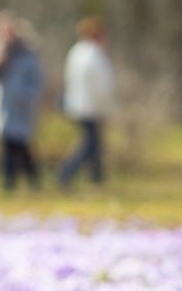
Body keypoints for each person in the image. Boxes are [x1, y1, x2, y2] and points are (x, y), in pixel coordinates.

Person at [0, 13, 43, 191]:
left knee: (21, 144)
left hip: (20, 106)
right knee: (5, 144)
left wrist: (26, 97)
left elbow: (36, 81)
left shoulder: (27, 53)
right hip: (0, 107)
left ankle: (32, 178)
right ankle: (9, 182)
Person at [58, 17, 116, 188]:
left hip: (77, 104)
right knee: (90, 144)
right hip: (91, 106)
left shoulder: (77, 51)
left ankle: (97, 177)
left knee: (94, 143)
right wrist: (106, 106)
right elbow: (101, 85)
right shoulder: (94, 55)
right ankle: (66, 173)